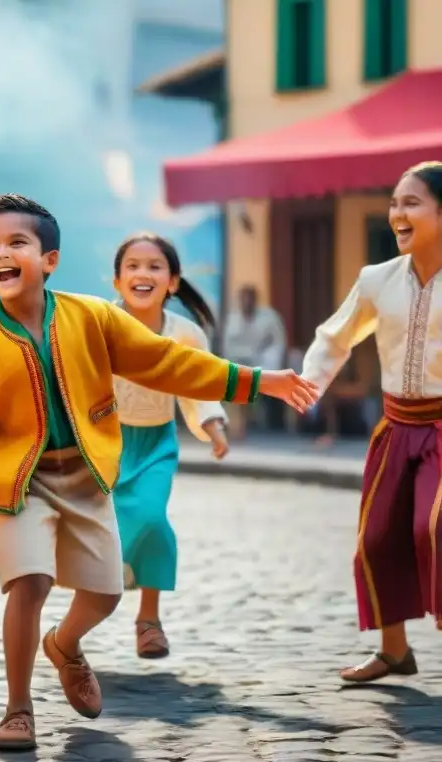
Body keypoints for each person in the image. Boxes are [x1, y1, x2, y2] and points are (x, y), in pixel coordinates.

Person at [0, 194, 317, 751]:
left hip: (89, 477)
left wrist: (258, 382)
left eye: (17, 242)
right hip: (18, 482)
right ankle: (18, 708)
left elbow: (170, 363)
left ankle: (65, 644)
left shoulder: (92, 317)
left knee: (106, 593)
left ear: (50, 260)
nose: (2, 252)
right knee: (30, 583)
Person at [301, 161, 442, 684]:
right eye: (394, 204)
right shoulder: (376, 279)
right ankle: (395, 652)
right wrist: (309, 385)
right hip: (395, 429)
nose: (397, 214)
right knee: (378, 539)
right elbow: (335, 337)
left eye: (412, 203)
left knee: (433, 528)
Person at [109, 233, 229, 659]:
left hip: (157, 442)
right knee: (103, 530)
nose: (144, 274)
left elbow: (200, 386)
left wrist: (213, 426)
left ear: (173, 282)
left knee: (152, 518)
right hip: (104, 442)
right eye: (134, 266)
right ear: (117, 281)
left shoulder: (185, 334)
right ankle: (86, 611)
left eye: (155, 266)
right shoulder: (100, 323)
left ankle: (149, 619)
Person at [222, 285, 287, 438]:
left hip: (265, 362)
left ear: (255, 300)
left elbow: (278, 343)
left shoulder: (269, 317)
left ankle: (273, 425)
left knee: (269, 379)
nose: (247, 302)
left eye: (250, 299)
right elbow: (227, 347)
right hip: (239, 362)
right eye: (243, 299)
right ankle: (239, 426)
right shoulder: (232, 320)